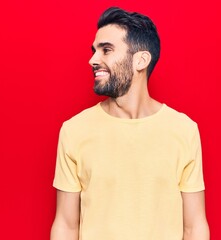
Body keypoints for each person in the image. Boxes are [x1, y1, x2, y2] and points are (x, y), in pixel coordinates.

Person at [50, 7, 209, 240]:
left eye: (106, 50)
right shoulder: (74, 130)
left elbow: (194, 226)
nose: (93, 60)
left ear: (141, 60)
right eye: (94, 51)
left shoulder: (183, 130)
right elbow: (65, 224)